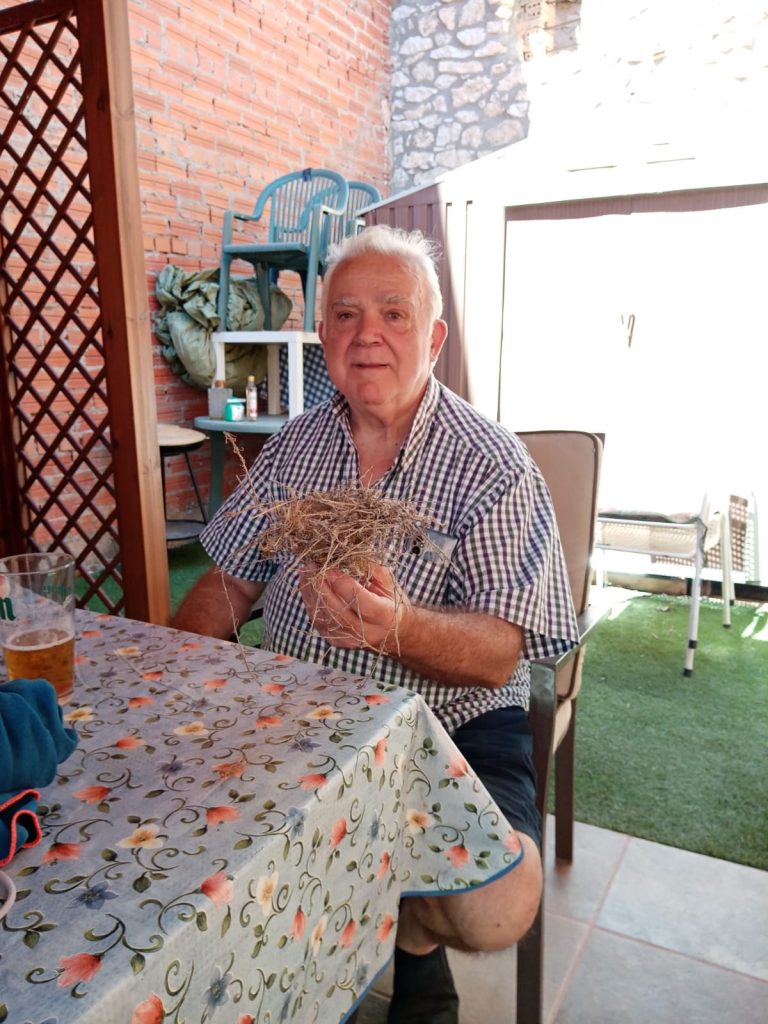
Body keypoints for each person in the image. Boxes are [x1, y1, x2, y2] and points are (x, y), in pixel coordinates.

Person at [172, 224, 578, 1024]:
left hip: (448, 721)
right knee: (201, 843)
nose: (368, 335)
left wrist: (397, 628)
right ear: (322, 337)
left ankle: (407, 943)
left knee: (496, 905)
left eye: (394, 313)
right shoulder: (293, 451)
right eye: (347, 315)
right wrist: (175, 674)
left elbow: (501, 655)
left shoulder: (492, 464)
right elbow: (226, 583)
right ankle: (328, 958)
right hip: (298, 714)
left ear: (433, 335)